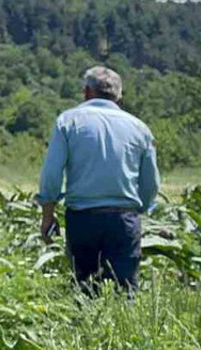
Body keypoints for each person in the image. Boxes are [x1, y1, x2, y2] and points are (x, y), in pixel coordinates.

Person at [38, 66, 159, 292]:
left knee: (85, 289)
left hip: (83, 218)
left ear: (86, 92)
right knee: (125, 292)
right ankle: (125, 328)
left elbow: (52, 172)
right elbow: (151, 183)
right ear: (119, 97)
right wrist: (138, 210)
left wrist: (48, 215)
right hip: (123, 219)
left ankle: (85, 326)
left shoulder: (68, 121)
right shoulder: (140, 128)